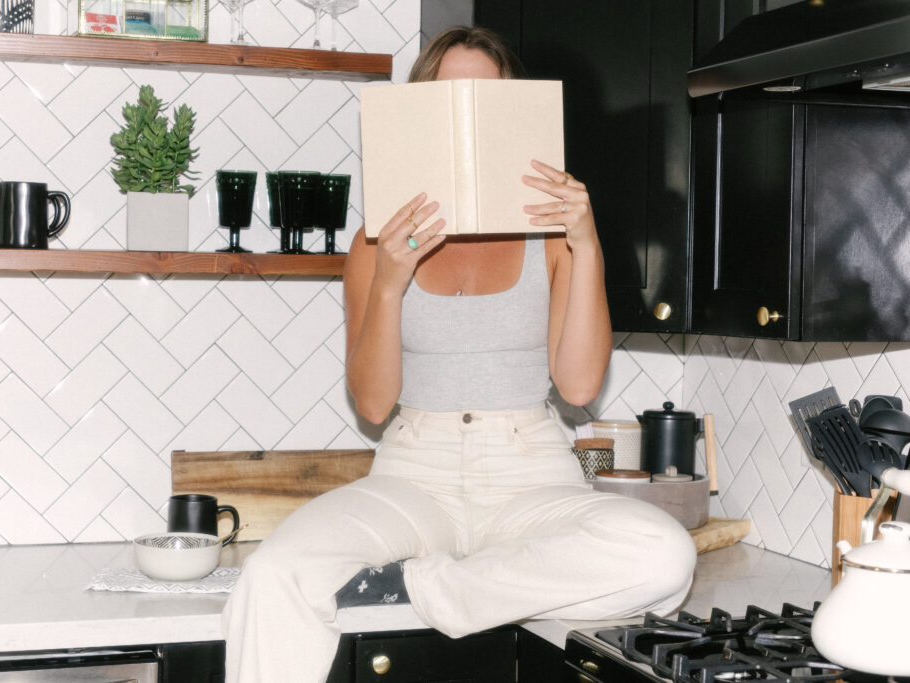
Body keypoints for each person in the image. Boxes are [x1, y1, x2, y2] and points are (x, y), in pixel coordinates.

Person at [221, 26, 696, 683]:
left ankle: (429, 590)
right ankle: (461, 585)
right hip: (416, 471)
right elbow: (373, 401)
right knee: (272, 574)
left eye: (484, 95)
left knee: (665, 557)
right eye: (449, 96)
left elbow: (580, 385)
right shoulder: (375, 241)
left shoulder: (552, 234)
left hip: (529, 472)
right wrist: (390, 280)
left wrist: (587, 244)